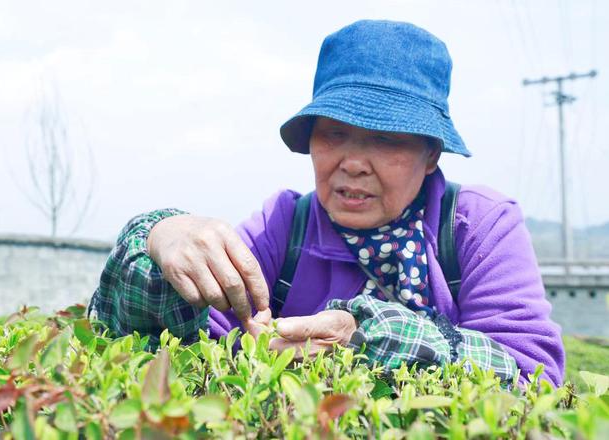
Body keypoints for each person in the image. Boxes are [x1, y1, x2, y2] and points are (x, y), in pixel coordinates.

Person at [88, 20, 565, 386]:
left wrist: (368, 337)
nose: (353, 162)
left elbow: (532, 373)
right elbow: (184, 347)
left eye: (385, 139)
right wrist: (157, 236)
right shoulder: (285, 224)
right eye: (334, 134)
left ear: (430, 155)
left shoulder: (477, 225)